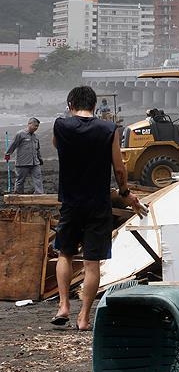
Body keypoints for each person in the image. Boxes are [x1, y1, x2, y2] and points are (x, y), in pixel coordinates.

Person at [53, 86, 143, 331]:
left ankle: (63, 306)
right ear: (94, 105)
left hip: (70, 203)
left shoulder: (61, 126)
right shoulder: (108, 130)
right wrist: (125, 193)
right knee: (92, 264)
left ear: (70, 103)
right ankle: (83, 318)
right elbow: (119, 168)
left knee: (65, 254)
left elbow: (56, 144)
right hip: (98, 204)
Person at [5, 117, 44, 194]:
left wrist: (40, 158)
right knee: (20, 180)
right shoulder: (20, 134)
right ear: (29, 124)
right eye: (35, 125)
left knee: (38, 178)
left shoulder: (36, 136)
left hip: (35, 162)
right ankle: (18, 195)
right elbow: (13, 144)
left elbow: (37, 149)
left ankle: (39, 194)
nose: (36, 128)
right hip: (22, 162)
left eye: (37, 126)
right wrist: (7, 154)